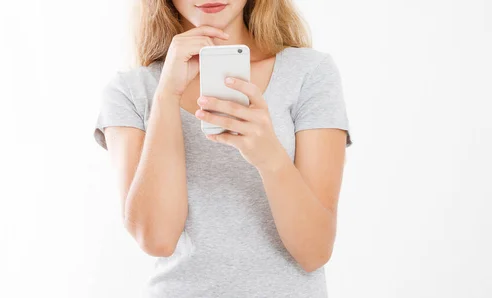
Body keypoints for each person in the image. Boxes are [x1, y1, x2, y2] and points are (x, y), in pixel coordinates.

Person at [93, 0, 353, 296]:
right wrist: (167, 95)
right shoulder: (130, 90)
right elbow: (158, 240)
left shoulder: (309, 73)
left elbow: (315, 251)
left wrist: (270, 158)